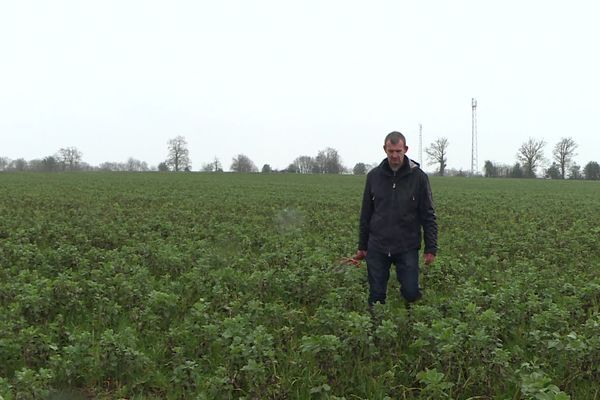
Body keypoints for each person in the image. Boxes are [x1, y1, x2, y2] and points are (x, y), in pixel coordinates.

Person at [356, 131, 438, 306]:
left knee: (411, 292)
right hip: (377, 245)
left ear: (405, 149)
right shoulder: (373, 177)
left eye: (398, 151)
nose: (394, 155)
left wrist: (431, 248)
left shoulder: (419, 177)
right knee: (376, 295)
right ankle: (376, 329)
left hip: (406, 245)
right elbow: (366, 213)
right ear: (384, 149)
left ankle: (410, 323)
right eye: (390, 151)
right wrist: (362, 246)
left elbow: (428, 214)